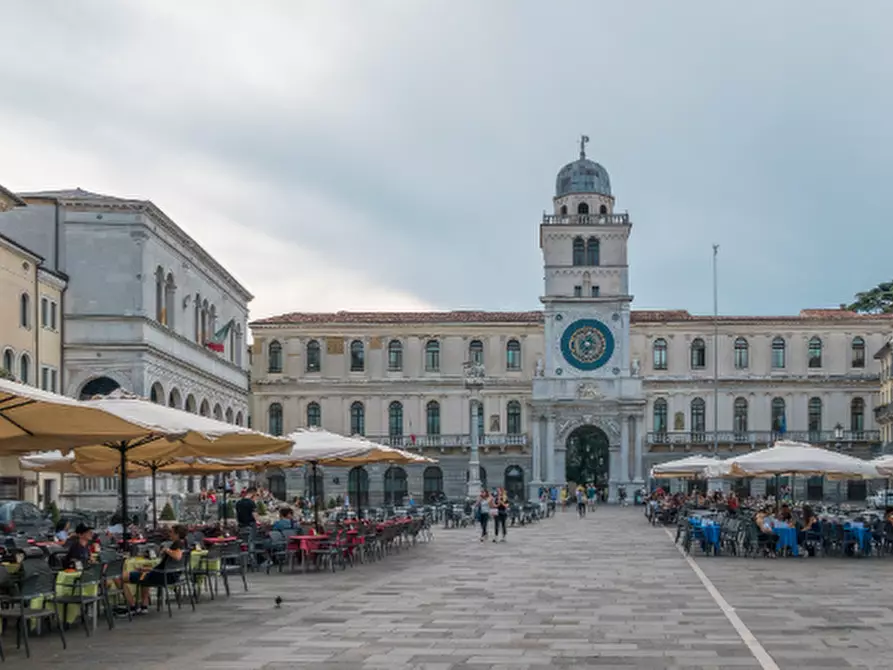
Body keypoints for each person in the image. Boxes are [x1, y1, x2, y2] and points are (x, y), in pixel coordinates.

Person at [125, 524, 187, 613]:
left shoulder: (178, 544)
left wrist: (166, 550)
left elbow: (177, 556)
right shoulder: (184, 543)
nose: (170, 534)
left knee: (122, 577)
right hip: (167, 575)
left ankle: (132, 606)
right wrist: (150, 569)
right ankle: (144, 606)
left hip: (161, 576)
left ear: (177, 534)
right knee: (143, 575)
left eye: (171, 532)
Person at [236, 487, 261, 566]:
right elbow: (254, 514)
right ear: (253, 493)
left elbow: (237, 515)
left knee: (243, 542)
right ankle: (252, 560)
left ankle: (243, 560)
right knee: (251, 542)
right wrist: (258, 522)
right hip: (251, 524)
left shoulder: (238, 503)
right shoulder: (251, 503)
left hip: (241, 525)